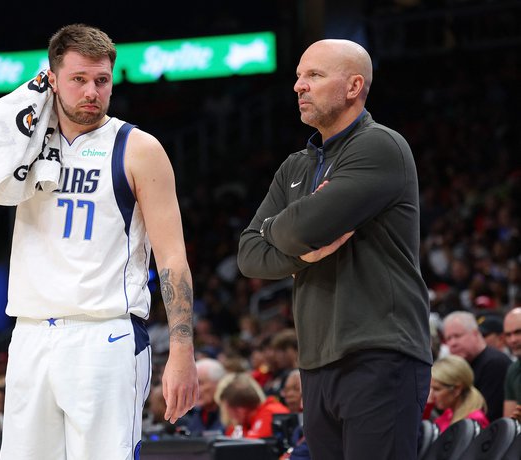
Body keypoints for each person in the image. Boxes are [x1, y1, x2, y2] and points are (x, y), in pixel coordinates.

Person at [0, 23, 198, 459]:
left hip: (104, 335)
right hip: (31, 335)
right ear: (51, 79)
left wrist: (182, 348)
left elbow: (172, 257)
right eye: (78, 79)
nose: (92, 91)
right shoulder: (24, 139)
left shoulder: (138, 148)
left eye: (102, 81)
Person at [237, 38, 433, 459]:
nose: (298, 86)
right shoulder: (295, 165)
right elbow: (249, 254)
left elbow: (298, 227)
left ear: (353, 86)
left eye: (314, 75)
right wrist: (301, 250)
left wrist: (288, 228)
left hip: (380, 351)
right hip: (316, 361)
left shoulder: (379, 146)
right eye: (298, 76)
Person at [442, 310, 512, 420]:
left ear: (475, 333)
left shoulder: (495, 363)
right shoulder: (466, 365)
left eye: (457, 336)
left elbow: (487, 416)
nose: (452, 343)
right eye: (448, 339)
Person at [217, 372, 290, 439]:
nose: (228, 416)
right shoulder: (244, 424)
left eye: (227, 410)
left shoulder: (272, 413)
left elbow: (249, 450)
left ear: (239, 410)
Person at [428, 355, 490, 432]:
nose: (431, 395)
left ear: (457, 390)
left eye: (437, 389)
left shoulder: (474, 421)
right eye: (430, 388)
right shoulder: (448, 413)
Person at [176, 358, 227, 436]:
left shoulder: (234, 415)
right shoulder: (189, 416)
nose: (194, 390)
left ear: (219, 383)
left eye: (200, 383)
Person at [503, 307, 521, 420]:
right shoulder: (513, 370)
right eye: (508, 335)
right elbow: (509, 424)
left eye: (518, 332)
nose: (512, 340)